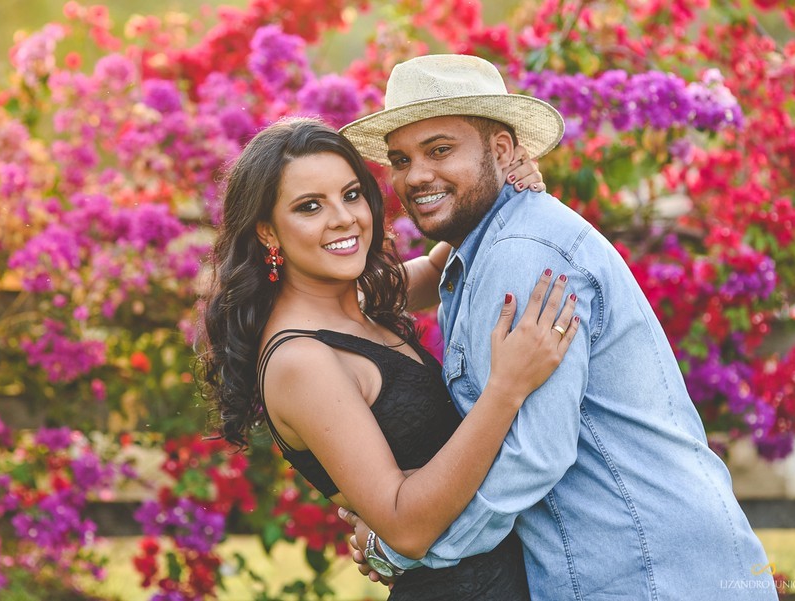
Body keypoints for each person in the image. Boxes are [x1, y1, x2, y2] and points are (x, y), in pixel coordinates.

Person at [338, 54, 778, 600]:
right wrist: (311, 296)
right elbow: (422, 275)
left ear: (501, 150)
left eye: (440, 150)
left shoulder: (523, 256)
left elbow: (532, 456)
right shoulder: (488, 245)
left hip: (644, 572)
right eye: (400, 160)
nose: (416, 176)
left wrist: (411, 548)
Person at [201, 117, 581, 600]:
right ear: (268, 233)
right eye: (310, 206)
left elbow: (446, 261)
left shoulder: (358, 300)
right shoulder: (301, 361)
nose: (343, 218)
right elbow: (405, 526)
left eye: (352, 194)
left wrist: (503, 182)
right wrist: (506, 389)